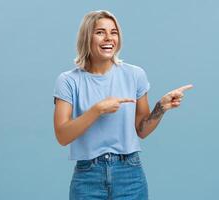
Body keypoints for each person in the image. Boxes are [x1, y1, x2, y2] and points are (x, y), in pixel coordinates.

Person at [53, 10, 193, 200]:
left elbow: (141, 130)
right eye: (100, 32)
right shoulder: (68, 80)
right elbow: (62, 135)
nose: (109, 38)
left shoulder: (135, 75)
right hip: (87, 176)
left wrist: (161, 108)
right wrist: (97, 110)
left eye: (114, 32)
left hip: (130, 174)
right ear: (87, 36)